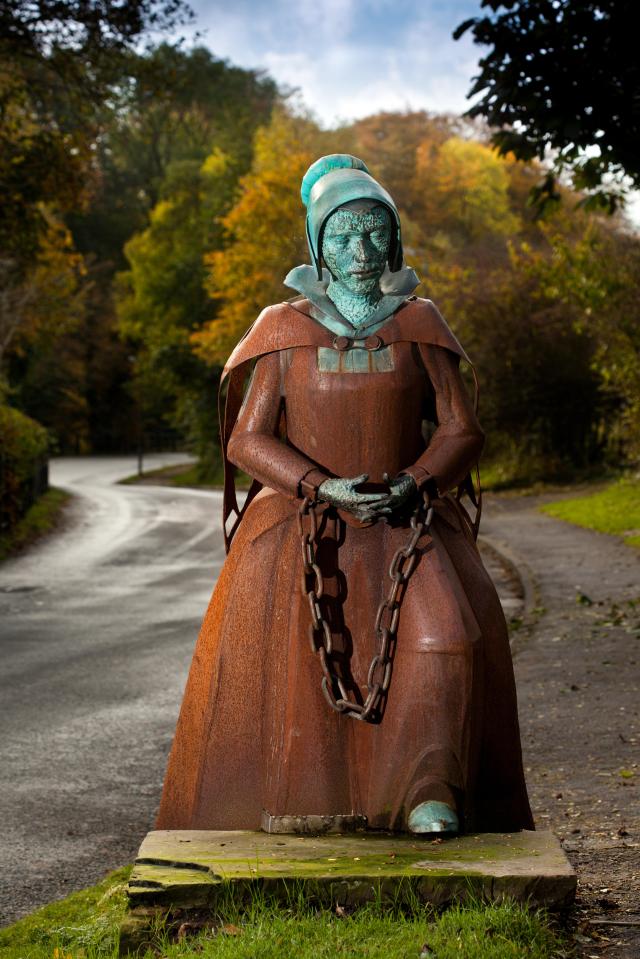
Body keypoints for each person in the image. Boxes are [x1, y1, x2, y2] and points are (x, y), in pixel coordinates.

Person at [157, 154, 533, 836]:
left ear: (393, 240)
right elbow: (247, 438)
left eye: (372, 232)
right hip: (305, 522)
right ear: (316, 245)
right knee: (301, 661)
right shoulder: (283, 330)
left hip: (409, 517)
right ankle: (312, 800)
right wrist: (319, 484)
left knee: (447, 637)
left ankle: (427, 791)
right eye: (341, 234)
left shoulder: (419, 324)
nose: (359, 250)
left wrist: (413, 481)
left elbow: (460, 427)